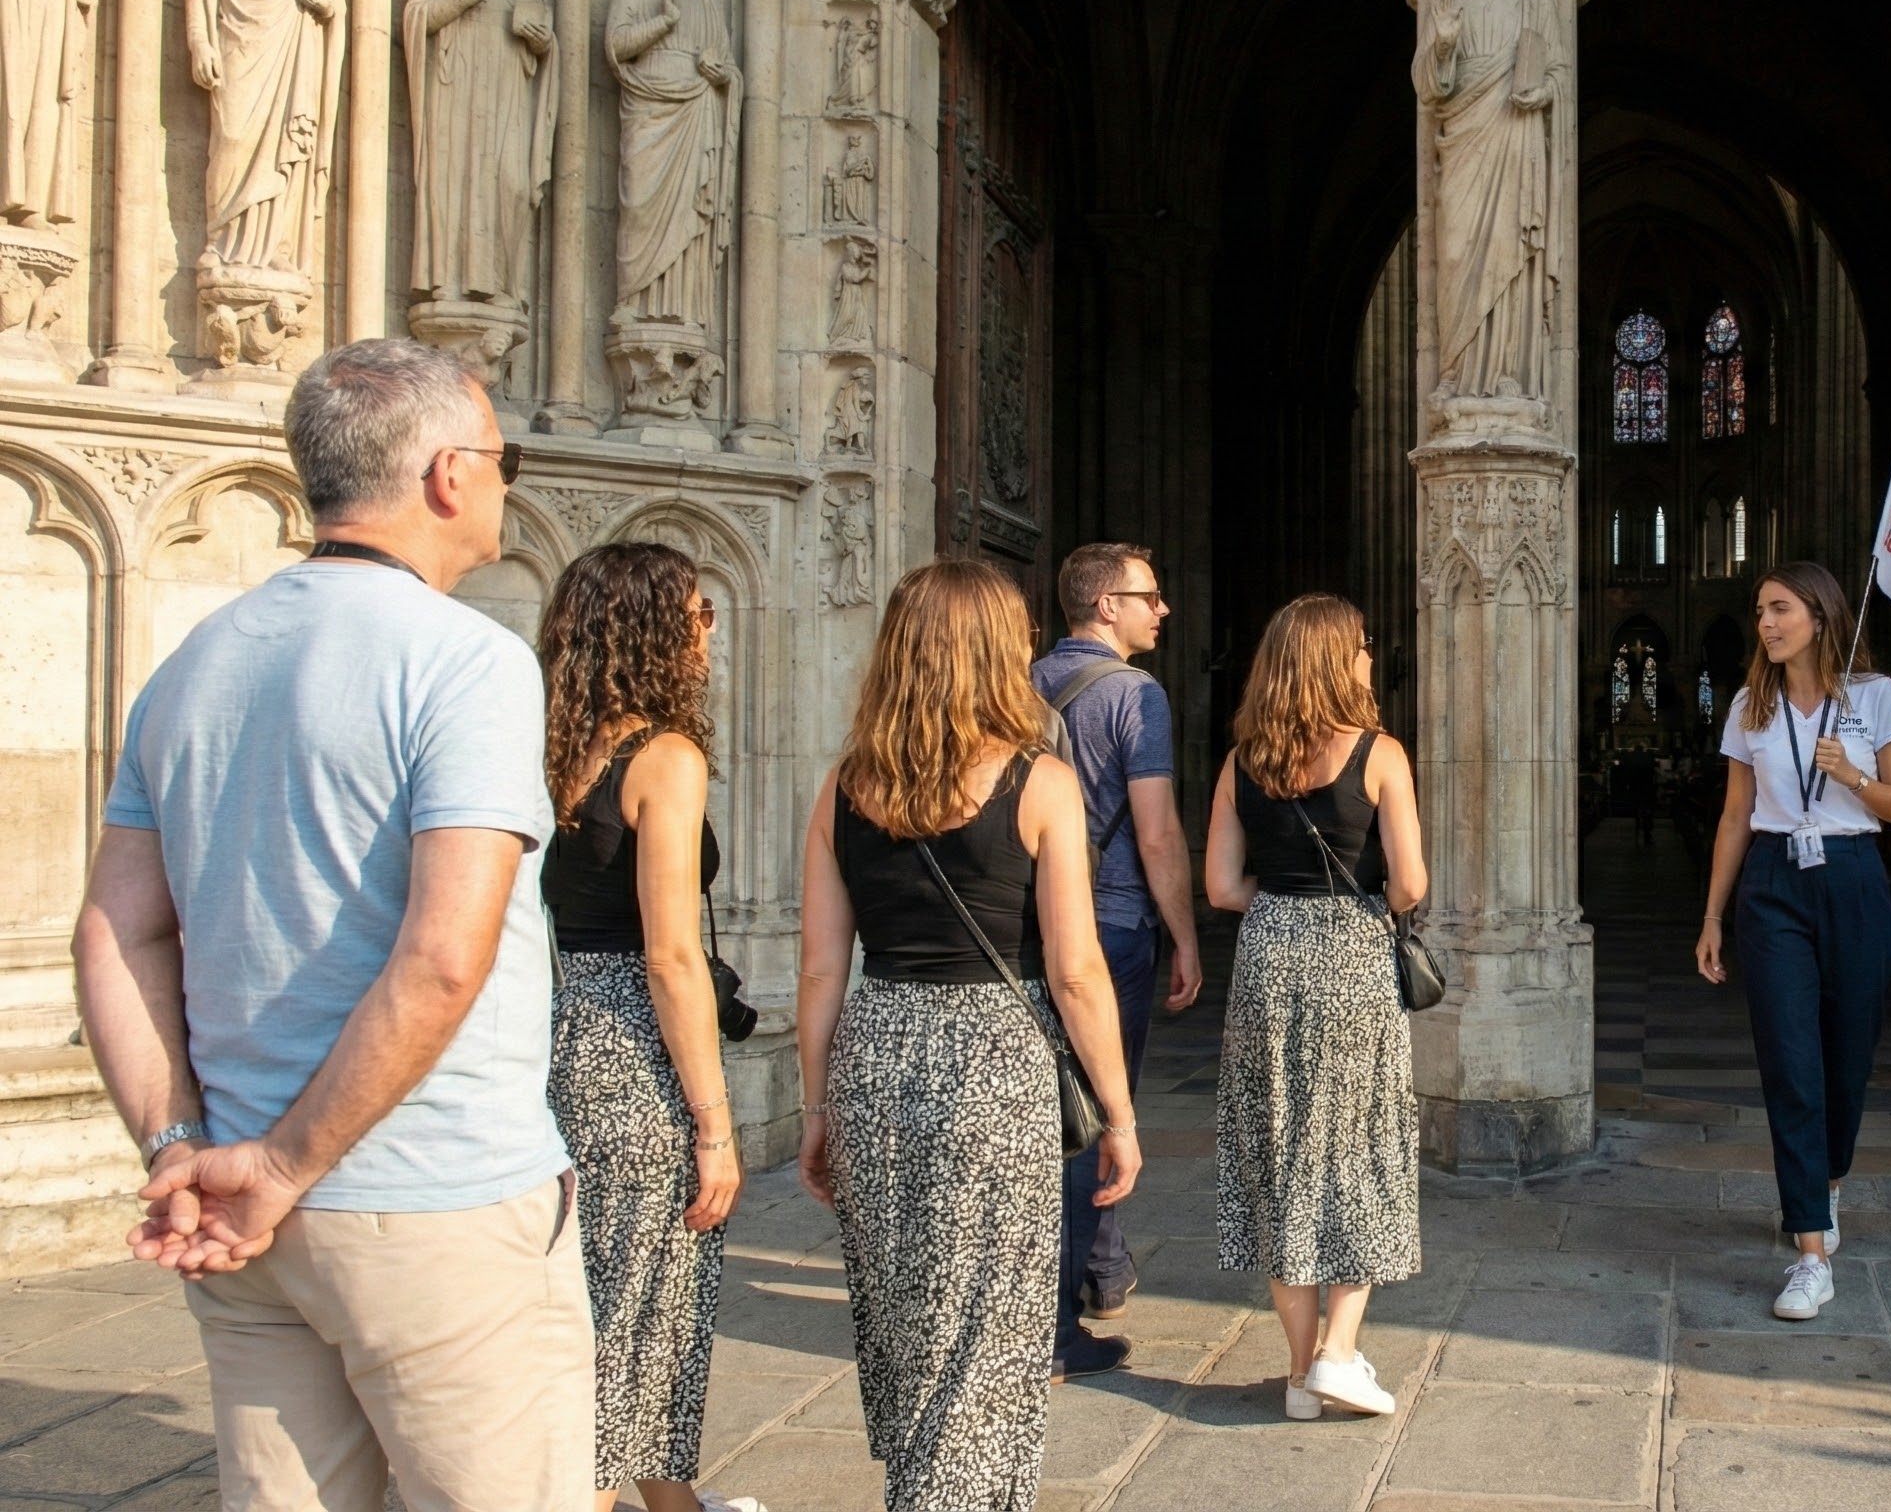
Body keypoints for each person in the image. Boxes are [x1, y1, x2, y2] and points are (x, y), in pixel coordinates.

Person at [70, 337, 593, 1504]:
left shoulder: (195, 663)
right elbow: (441, 960)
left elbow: (113, 934)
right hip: (429, 1196)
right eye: (502, 455)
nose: (508, 481)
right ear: (451, 474)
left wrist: (182, 1145)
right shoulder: (466, 662)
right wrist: (284, 1163)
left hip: (248, 1222)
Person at [794, 557, 1143, 1507]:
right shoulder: (1040, 782)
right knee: (989, 1321)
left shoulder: (844, 787)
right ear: (999, 653)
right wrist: (1117, 1112)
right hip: (994, 1060)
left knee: (905, 1312)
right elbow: (1075, 972)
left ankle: (923, 1486)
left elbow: (823, 967)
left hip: (877, 1050)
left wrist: (815, 1103)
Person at [538, 542, 743, 1512]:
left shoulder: (551, 744)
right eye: (698, 615)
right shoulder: (664, 758)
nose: (710, 631)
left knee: (596, 1282)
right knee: (642, 1294)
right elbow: (670, 955)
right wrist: (712, 1122)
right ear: (656, 631)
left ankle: (670, 1501)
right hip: (633, 1043)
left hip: (555, 1022)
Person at [1205, 594, 1429, 1420]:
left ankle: (1302, 1376)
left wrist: (1285, 898)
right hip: (1352, 954)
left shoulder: (1241, 761)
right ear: (1338, 660)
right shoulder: (1379, 754)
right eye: (1363, 645)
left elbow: (1222, 887)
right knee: (1359, 1146)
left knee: (1280, 1152)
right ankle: (1338, 1351)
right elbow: (1409, 884)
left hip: (1267, 954)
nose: (1370, 656)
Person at [1691, 561, 1891, 1323]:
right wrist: (1715, 916)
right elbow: (1733, 816)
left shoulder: (1874, 696)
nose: (1765, 623)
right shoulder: (1750, 707)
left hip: (1853, 877)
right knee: (1791, 1060)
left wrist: (1851, 775)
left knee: (1847, 1058)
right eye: (1759, 611)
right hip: (1773, 883)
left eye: (1779, 608)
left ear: (1819, 615)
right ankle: (1810, 1251)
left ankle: (1828, 1180)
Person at [1032, 542, 1205, 1373]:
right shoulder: (1137, 694)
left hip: (1030, 929)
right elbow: (1158, 828)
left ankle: (1102, 1270)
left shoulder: (1020, 684)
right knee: (1101, 1109)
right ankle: (1060, 1322)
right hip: (1112, 926)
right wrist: (1186, 934)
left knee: (1046, 1107)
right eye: (1149, 595)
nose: (1162, 610)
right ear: (1106, 606)